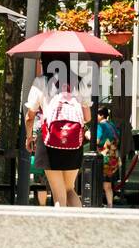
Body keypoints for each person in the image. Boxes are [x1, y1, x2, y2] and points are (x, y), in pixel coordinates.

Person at [24, 53, 92, 207]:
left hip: (49, 141)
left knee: (58, 193)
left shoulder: (41, 81)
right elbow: (87, 117)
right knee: (69, 189)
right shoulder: (79, 82)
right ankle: (80, 228)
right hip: (73, 141)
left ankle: (60, 229)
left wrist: (29, 137)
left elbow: (30, 116)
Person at [96, 105, 121, 207]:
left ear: (101, 115)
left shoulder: (100, 126)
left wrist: (88, 135)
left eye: (96, 115)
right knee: (108, 184)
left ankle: (99, 203)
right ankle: (110, 204)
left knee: (98, 182)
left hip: (103, 157)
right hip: (113, 158)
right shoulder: (112, 125)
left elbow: (97, 141)